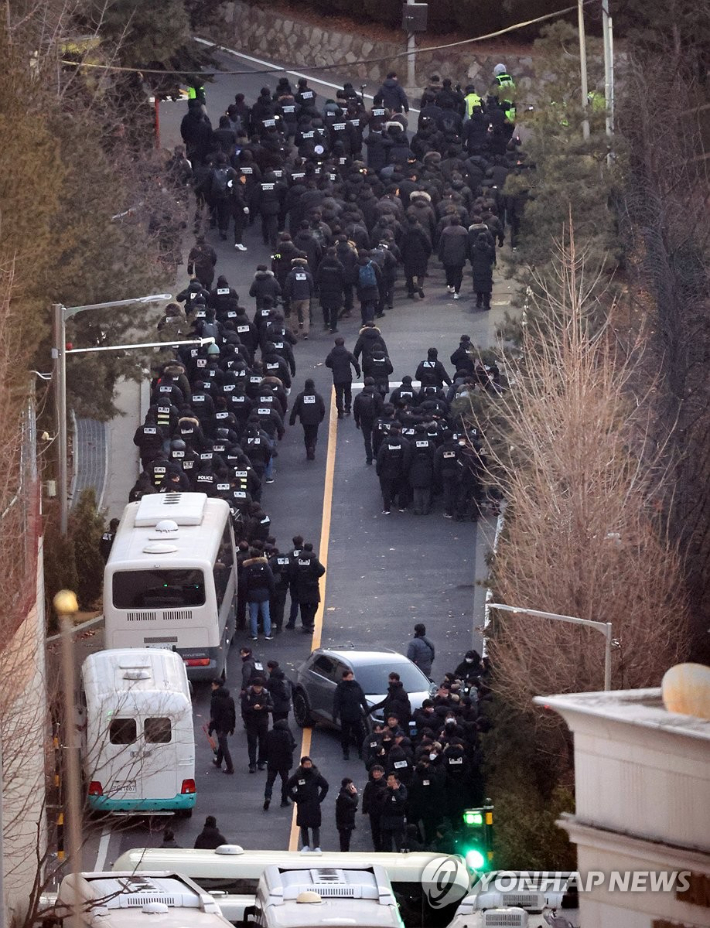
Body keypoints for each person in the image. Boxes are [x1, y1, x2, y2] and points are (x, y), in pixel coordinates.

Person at [286, 756, 329, 852]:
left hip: (314, 803)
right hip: (303, 803)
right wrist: (294, 798)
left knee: (315, 825)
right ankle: (306, 845)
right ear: (302, 765)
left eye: (309, 764)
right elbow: (288, 786)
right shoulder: (298, 775)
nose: (308, 766)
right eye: (306, 764)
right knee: (303, 825)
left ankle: (316, 846)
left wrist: (319, 799)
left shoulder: (316, 775)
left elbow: (325, 786)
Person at [332, 669, 369, 760]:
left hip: (356, 714)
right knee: (345, 735)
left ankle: (361, 752)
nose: (350, 679)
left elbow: (362, 699)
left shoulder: (356, 686)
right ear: (344, 678)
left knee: (360, 735)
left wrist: (366, 709)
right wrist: (335, 714)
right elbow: (336, 702)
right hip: (345, 715)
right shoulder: (340, 688)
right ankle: (345, 751)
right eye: (348, 677)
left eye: (351, 677)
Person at [376, 423, 411, 514]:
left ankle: (387, 508)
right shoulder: (404, 443)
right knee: (402, 489)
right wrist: (405, 470)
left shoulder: (384, 445)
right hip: (400, 471)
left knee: (386, 490)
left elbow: (380, 459)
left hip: (386, 471)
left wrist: (378, 471)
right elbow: (406, 458)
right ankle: (402, 507)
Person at [242, 547, 276, 641]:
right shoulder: (265, 566)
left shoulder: (247, 567)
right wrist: (272, 592)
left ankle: (254, 635)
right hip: (264, 593)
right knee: (266, 614)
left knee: (253, 615)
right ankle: (267, 634)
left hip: (252, 594)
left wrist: (245, 594)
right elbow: (271, 580)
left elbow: (244, 582)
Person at [241, 676, 273, 773]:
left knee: (263, 743)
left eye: (259, 687)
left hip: (263, 722)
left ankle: (261, 762)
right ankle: (252, 764)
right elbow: (244, 708)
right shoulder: (247, 694)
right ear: (253, 686)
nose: (258, 689)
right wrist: (253, 708)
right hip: (251, 722)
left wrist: (263, 707)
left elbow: (272, 706)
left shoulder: (266, 694)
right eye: (256, 687)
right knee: (252, 743)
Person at [263, 718, 297, 810]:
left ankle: (267, 797)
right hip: (283, 763)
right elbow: (288, 750)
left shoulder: (269, 734)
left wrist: (265, 759)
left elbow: (264, 747)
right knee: (285, 782)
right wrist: (290, 762)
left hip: (272, 762)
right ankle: (284, 800)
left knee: (269, 782)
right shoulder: (285, 735)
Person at [289, 378, 326, 460]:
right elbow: (322, 408)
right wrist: (321, 417)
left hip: (304, 419)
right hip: (315, 419)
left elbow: (295, 408)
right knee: (314, 434)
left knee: (307, 435)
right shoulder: (317, 396)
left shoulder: (301, 396)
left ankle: (308, 449)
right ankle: (312, 446)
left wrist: (292, 419)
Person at [325, 337, 361, 419]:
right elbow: (355, 362)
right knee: (348, 392)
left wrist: (333, 366)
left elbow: (327, 363)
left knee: (339, 395)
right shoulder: (347, 353)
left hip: (337, 376)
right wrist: (358, 371)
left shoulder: (332, 354)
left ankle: (340, 411)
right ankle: (348, 407)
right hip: (347, 376)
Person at [294, 542, 326, 632]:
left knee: (303, 605)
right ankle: (309, 621)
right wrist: (315, 576)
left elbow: (293, 571)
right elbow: (322, 570)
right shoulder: (314, 560)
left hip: (301, 585)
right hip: (312, 585)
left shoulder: (298, 560)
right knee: (314, 604)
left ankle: (305, 623)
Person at [353, 377, 383, 465]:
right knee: (376, 438)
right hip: (375, 420)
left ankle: (369, 458)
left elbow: (356, 410)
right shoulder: (377, 395)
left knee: (367, 440)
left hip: (364, 420)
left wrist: (357, 421)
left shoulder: (359, 396)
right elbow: (381, 408)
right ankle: (376, 455)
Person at [283, 256, 315, 339]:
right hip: (306, 298)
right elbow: (311, 286)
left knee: (294, 314)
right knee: (306, 316)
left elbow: (287, 287)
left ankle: (295, 331)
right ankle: (305, 333)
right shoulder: (307, 274)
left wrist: (287, 297)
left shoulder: (291, 275)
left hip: (295, 298)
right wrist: (310, 295)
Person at [208, 679, 236, 774]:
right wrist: (232, 726)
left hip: (220, 725)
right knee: (222, 742)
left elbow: (214, 716)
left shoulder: (215, 700)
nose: (212, 687)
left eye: (213, 685)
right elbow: (233, 713)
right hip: (228, 724)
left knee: (224, 746)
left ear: (217, 686)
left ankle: (230, 767)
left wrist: (210, 728)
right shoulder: (229, 698)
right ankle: (218, 761)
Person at [438, 216, 469, 299]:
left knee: (449, 271)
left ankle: (451, 285)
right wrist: (467, 254)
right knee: (458, 273)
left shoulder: (445, 231)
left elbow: (441, 244)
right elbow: (467, 244)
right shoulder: (463, 231)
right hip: (459, 255)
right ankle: (457, 292)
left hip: (447, 254)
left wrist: (440, 255)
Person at [380, 773, 407, 851]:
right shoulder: (386, 789)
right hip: (386, 818)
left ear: (396, 780)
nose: (389, 781)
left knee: (398, 840)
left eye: (391, 779)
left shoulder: (402, 788)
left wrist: (396, 791)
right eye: (388, 779)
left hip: (397, 818)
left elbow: (401, 801)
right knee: (386, 842)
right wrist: (386, 789)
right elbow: (378, 797)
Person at [362, 764, 387, 851]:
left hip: (383, 811)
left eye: (378, 772)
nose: (376, 774)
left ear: (382, 773)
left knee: (383, 830)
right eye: (374, 772)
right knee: (375, 831)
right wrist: (365, 809)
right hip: (373, 811)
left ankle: (383, 848)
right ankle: (377, 848)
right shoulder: (369, 784)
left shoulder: (385, 784)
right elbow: (365, 797)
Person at [471, 231, 495, 309]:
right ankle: (486, 304)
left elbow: (472, 257)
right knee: (486, 287)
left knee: (478, 285)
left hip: (477, 268)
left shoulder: (474, 248)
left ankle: (478, 302)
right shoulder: (489, 248)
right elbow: (492, 258)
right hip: (486, 268)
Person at [336, 778, 359, 852]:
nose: (353, 787)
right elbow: (353, 803)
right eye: (351, 785)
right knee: (345, 841)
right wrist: (355, 794)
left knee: (345, 841)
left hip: (344, 822)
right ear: (347, 785)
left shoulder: (344, 794)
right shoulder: (344, 796)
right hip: (345, 823)